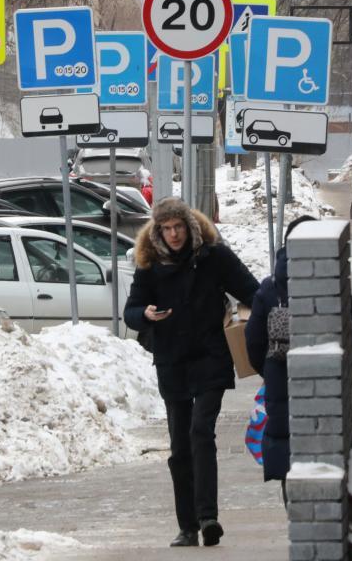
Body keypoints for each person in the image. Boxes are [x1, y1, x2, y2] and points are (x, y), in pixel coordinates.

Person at [124, 197, 259, 548]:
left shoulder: (213, 256)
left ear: (189, 226)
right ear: (158, 230)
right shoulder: (149, 263)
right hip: (172, 362)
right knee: (179, 446)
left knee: (201, 431)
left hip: (210, 357)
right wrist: (145, 314)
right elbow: (131, 310)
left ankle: (208, 517)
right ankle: (186, 527)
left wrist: (253, 323)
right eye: (166, 229)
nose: (173, 235)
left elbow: (252, 290)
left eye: (178, 227)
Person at [244, 215, 317, 503]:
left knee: (288, 456)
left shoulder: (270, 287)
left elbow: (253, 341)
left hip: (280, 385)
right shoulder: (331, 281)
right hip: (324, 389)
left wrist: (269, 371)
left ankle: (295, 515)